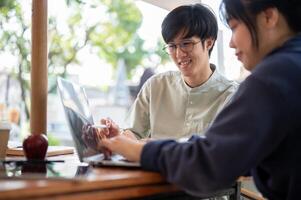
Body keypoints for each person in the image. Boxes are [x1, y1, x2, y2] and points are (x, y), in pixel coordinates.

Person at [97, 0, 301, 199]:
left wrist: (134, 148)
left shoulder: (273, 77)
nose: (231, 43)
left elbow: (210, 162)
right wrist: (126, 140)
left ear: (269, 16)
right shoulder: (290, 68)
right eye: (172, 46)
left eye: (235, 26)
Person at [124, 3, 237, 140]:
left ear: (209, 43)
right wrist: (116, 136)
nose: (179, 54)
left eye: (186, 44)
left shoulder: (231, 96)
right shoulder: (155, 86)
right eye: (172, 46)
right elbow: (132, 133)